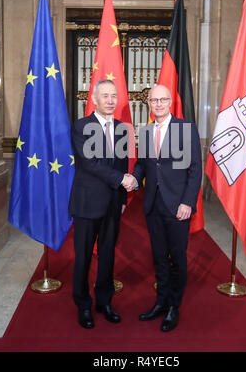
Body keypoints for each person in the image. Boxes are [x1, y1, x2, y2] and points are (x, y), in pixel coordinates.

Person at [124, 84, 202, 332]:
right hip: (153, 205)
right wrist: (134, 179)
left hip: (179, 205)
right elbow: (144, 166)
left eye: (162, 100)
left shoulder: (186, 129)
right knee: (158, 256)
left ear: (170, 102)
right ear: (148, 103)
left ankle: (173, 306)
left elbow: (195, 169)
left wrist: (188, 202)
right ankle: (160, 302)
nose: (158, 104)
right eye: (153, 100)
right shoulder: (145, 132)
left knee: (177, 257)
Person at [69, 79, 132, 329]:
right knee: (83, 257)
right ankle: (83, 305)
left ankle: (104, 302)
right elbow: (89, 163)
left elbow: (122, 164)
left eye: (113, 96)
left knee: (107, 255)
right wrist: (122, 180)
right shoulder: (81, 126)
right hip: (87, 203)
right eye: (104, 95)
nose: (109, 100)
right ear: (94, 99)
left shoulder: (121, 128)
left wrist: (124, 196)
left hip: (113, 203)